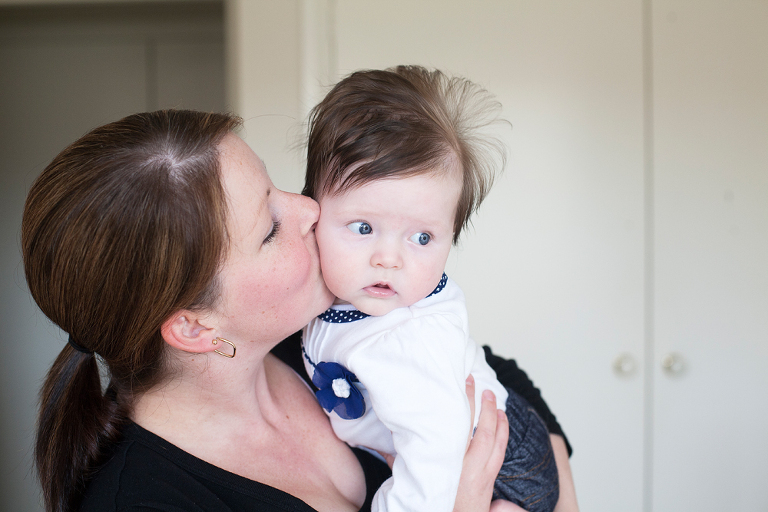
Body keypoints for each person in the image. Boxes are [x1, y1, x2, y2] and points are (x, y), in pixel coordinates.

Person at [22, 109, 571, 512]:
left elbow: (494, 370)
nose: (310, 208)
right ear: (193, 325)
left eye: (276, 186)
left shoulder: (305, 333)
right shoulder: (148, 500)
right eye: (269, 228)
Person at [301, 66, 560, 512]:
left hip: (503, 467)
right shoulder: (340, 298)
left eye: (422, 238)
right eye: (363, 227)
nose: (389, 258)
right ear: (312, 212)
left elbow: (435, 454)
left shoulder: (407, 339)